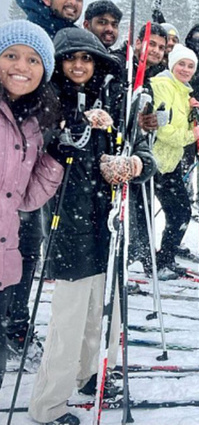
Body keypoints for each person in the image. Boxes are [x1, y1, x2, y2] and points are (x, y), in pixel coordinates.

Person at [29, 27, 155, 425]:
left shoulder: (118, 99)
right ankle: (47, 406)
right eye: (71, 59)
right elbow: (38, 149)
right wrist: (70, 134)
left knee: (103, 310)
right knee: (69, 317)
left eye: (87, 59)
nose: (80, 66)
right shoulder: (46, 101)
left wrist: (131, 164)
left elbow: (142, 152)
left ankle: (90, 374)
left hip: (110, 222)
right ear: (59, 64)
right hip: (68, 221)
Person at [0, 21, 62, 390]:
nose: (22, 66)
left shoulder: (33, 124)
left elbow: (26, 198)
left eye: (33, 60)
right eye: (11, 55)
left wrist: (54, 156)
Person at [149, 44, 199, 279]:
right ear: (172, 64)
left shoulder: (182, 91)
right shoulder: (162, 85)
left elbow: (178, 120)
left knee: (181, 213)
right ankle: (153, 262)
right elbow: (162, 128)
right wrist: (191, 136)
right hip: (153, 162)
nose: (186, 69)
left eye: (190, 66)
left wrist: (192, 110)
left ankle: (166, 258)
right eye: (181, 64)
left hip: (169, 163)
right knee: (174, 213)